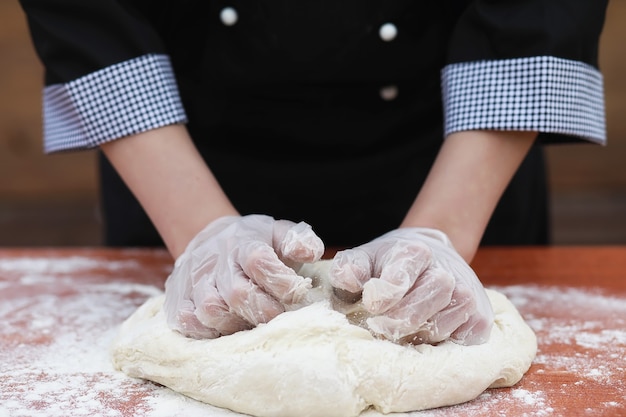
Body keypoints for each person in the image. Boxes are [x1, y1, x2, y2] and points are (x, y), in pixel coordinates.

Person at [19, 1, 608, 345]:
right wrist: (201, 234)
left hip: (453, 147)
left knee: (446, 317)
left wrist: (442, 235)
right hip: (180, 146)